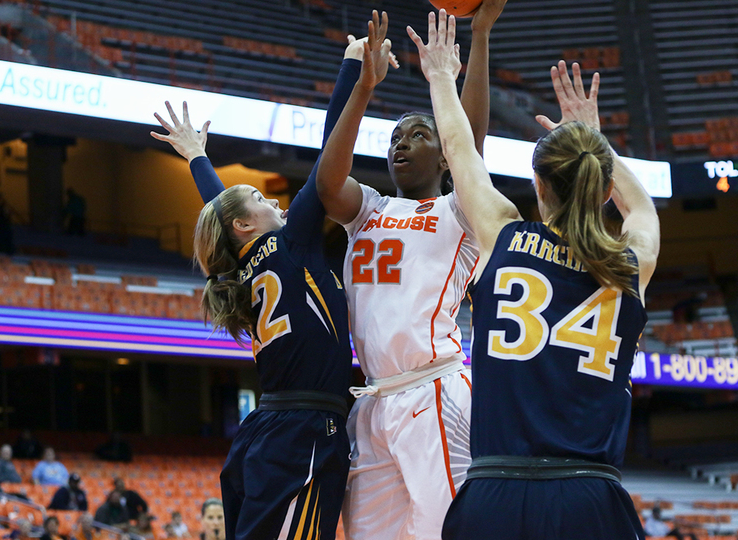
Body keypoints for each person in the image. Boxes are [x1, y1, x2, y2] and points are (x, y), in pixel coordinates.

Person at [406, 11, 660, 540]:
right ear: (601, 183)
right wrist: (595, 141)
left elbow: (459, 151)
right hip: (589, 497)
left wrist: (439, 77)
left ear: (538, 185)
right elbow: (642, 213)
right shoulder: (629, 264)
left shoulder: (504, 236)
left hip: (496, 494)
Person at [150, 32, 370, 540]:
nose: (276, 202)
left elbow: (223, 212)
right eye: (261, 198)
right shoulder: (292, 244)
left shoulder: (240, 267)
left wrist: (197, 159)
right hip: (305, 432)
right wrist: (351, 65)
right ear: (247, 225)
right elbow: (330, 146)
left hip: (267, 432)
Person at [314, 3, 506, 539]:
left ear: (445, 159)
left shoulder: (458, 210)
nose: (401, 142)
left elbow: (469, 143)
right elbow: (327, 186)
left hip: (433, 391)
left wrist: (481, 37)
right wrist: (363, 88)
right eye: (395, 137)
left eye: (418, 134)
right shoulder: (369, 208)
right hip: (374, 398)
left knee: (448, 530)